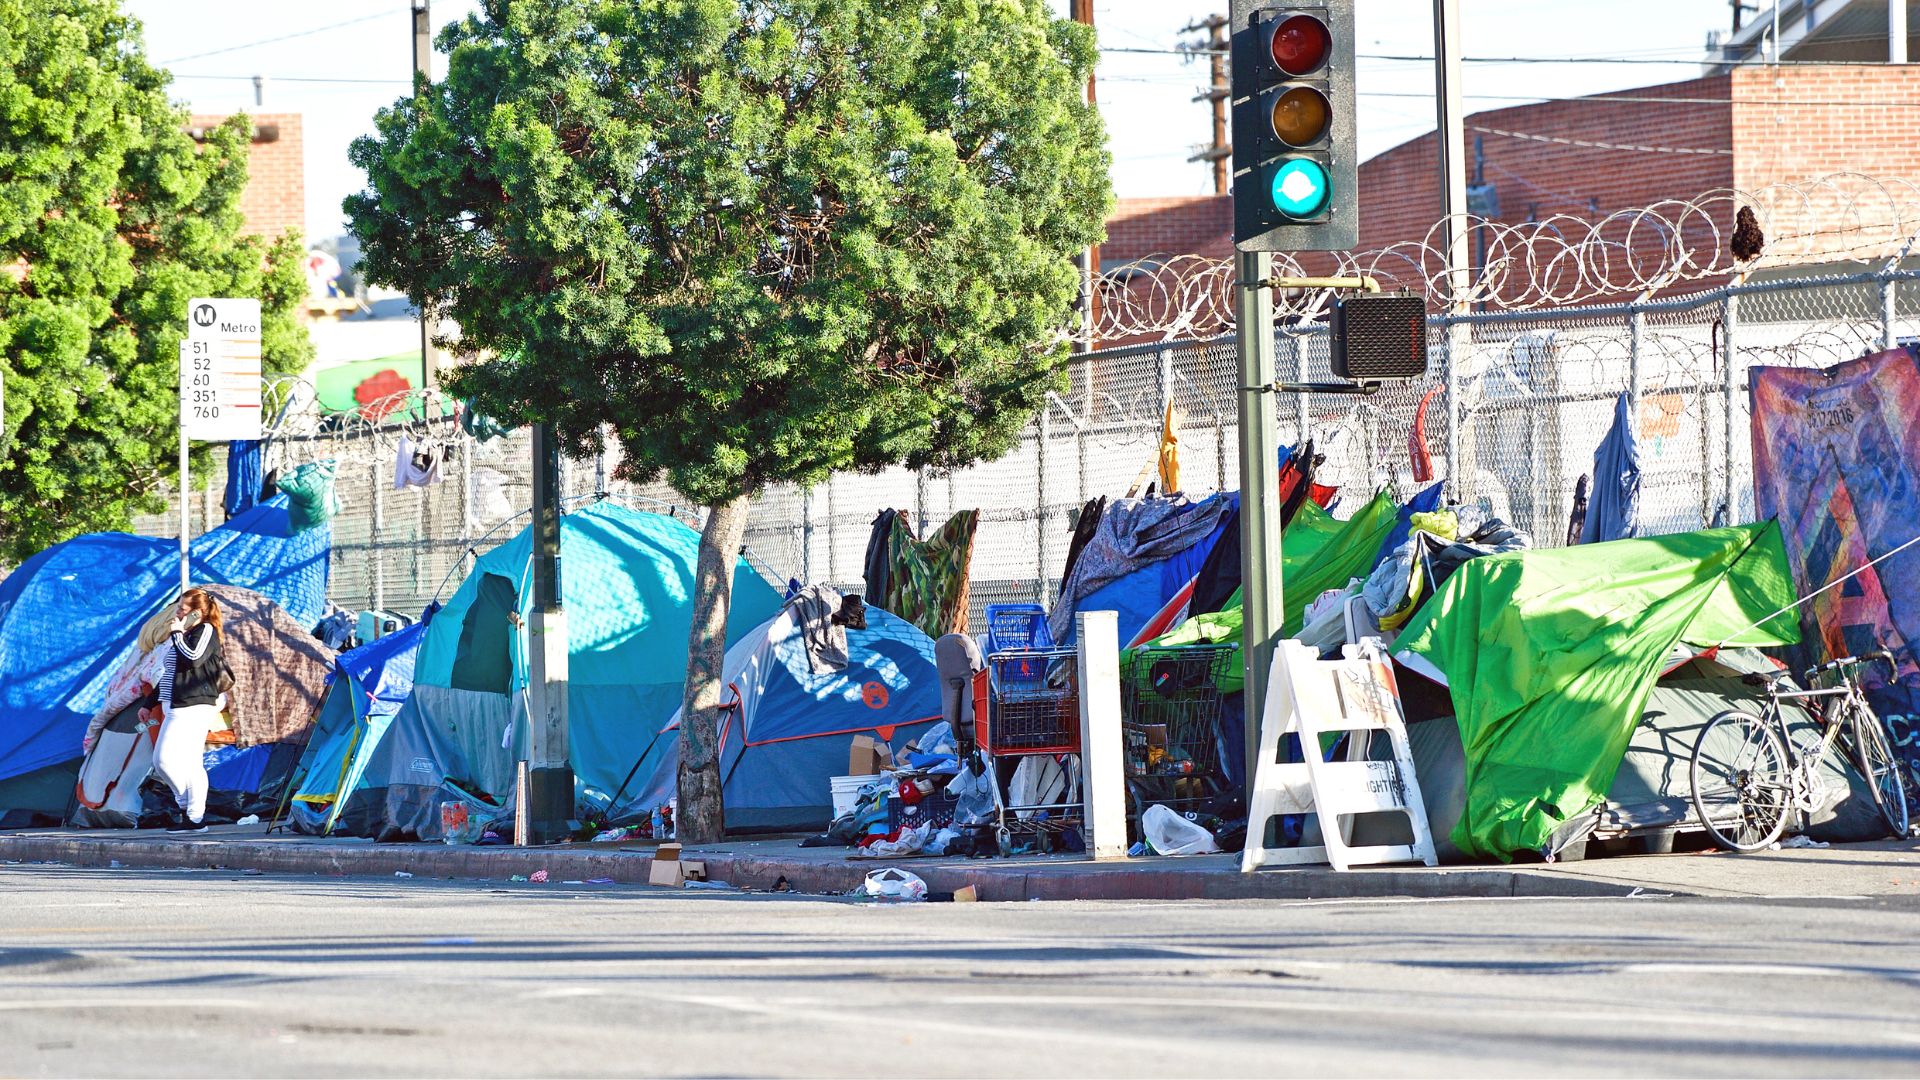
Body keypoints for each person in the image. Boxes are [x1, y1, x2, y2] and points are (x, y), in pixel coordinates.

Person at [151, 589, 231, 834]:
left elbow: (193, 658)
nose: (177, 613)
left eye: (182, 609)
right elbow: (170, 674)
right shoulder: (186, 634)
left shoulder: (205, 630)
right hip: (175, 704)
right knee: (175, 761)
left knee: (169, 760)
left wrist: (176, 633)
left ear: (196, 612)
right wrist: (148, 704)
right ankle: (191, 814)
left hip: (194, 704)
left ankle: (192, 813)